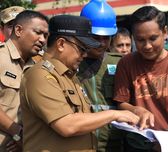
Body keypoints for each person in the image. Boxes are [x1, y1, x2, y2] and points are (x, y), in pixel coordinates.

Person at [20, 14, 139, 152]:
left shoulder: (69, 76)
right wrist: (114, 114)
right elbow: (67, 125)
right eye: (82, 49)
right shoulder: (41, 76)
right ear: (61, 44)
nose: (85, 55)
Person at [113, 6, 168, 151]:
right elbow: (121, 103)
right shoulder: (125, 63)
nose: (147, 46)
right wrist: (136, 110)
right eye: (140, 40)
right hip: (137, 145)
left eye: (153, 38)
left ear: (165, 32)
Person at [77, 0, 127, 151]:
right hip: (81, 144)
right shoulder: (70, 63)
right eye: (95, 37)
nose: (101, 43)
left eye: (106, 38)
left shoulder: (120, 64)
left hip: (115, 145)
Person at [0, 10, 48, 152]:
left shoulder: (40, 65)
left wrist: (26, 137)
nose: (42, 40)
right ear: (19, 30)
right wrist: (18, 134)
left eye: (45, 35)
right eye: (38, 32)